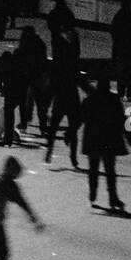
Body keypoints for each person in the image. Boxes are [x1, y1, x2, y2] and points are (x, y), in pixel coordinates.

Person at [82, 78, 127, 210]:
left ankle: (93, 193)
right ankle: (113, 198)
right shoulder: (113, 99)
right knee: (110, 170)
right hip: (109, 138)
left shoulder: (89, 99)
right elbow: (121, 117)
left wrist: (70, 131)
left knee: (93, 168)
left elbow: (81, 117)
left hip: (93, 138)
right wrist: (129, 135)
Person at [44, 25, 84, 167]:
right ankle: (72, 157)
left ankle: (50, 150)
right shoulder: (71, 64)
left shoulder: (60, 64)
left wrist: (47, 100)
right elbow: (80, 80)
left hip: (61, 98)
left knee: (55, 127)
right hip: (71, 98)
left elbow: (53, 84)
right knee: (73, 127)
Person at [0, 51, 29, 147]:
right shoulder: (19, 64)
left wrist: (2, 90)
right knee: (22, 108)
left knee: (9, 115)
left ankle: (8, 139)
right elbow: (25, 78)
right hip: (21, 90)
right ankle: (23, 124)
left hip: (10, 92)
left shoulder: (2, 65)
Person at [110, 0, 131, 98]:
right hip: (130, 50)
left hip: (121, 49)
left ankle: (121, 92)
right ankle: (130, 94)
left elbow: (114, 32)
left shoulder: (118, 16)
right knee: (130, 73)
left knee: (121, 73)